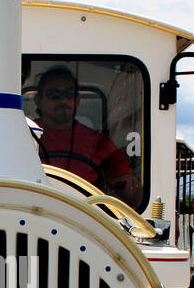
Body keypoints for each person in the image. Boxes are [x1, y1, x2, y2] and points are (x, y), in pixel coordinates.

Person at [31, 66, 142, 207]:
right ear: (38, 101)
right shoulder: (24, 136)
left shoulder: (99, 142)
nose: (63, 100)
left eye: (69, 94)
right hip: (35, 212)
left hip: (87, 218)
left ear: (77, 100)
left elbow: (133, 196)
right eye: (54, 95)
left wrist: (128, 185)